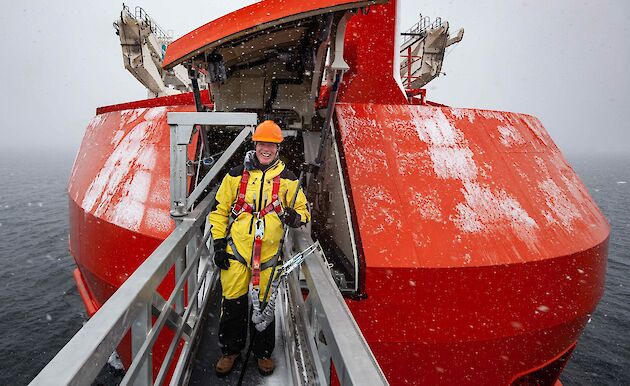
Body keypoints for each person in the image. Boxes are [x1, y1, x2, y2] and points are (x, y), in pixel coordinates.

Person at [209, 120, 310, 376]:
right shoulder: (235, 175)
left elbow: (303, 211)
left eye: (272, 145)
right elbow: (219, 211)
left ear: (278, 148)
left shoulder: (288, 180)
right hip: (237, 254)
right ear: (255, 145)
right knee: (232, 305)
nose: (266, 149)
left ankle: (262, 353)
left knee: (264, 308)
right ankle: (230, 351)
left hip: (268, 259)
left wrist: (294, 218)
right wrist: (219, 244)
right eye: (262, 144)